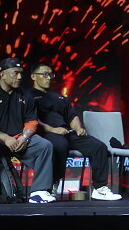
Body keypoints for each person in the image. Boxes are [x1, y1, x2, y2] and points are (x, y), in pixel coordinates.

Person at [27, 62, 121, 201]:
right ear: (33, 76)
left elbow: (72, 116)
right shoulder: (28, 96)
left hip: (67, 132)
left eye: (51, 75)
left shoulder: (59, 97)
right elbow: (32, 120)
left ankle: (100, 188)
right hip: (46, 133)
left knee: (98, 147)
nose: (49, 78)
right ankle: (52, 184)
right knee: (60, 145)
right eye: (44, 74)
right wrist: (53, 129)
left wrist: (78, 128)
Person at [0, 58, 55, 204]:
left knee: (45, 146)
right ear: (2, 74)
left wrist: (25, 137)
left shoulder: (26, 95)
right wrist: (5, 138)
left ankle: (39, 192)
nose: (19, 77)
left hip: (20, 140)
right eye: (15, 73)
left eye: (21, 73)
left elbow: (32, 121)